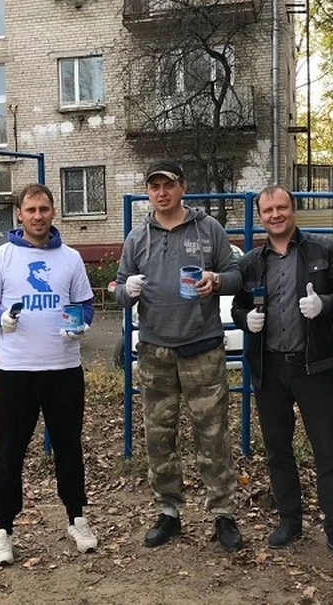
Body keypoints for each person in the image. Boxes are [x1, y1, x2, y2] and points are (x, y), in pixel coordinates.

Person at [114, 160, 245, 552]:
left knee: (213, 434)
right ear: (149, 192)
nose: (161, 192)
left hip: (202, 347)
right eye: (154, 186)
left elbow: (237, 277)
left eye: (168, 185)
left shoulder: (209, 229)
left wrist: (217, 281)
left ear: (182, 187)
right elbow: (118, 288)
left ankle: (223, 513)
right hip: (155, 350)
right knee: (159, 435)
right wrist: (127, 290)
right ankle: (168, 511)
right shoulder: (137, 238)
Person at [230, 186, 333, 566]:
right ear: (260, 215)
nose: (275, 215)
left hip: (313, 365)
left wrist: (325, 305)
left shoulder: (322, 251)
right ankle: (290, 519)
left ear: (293, 209)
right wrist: (245, 320)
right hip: (269, 367)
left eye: (281, 207)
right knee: (277, 449)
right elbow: (238, 306)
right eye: (268, 209)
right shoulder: (252, 261)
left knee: (328, 450)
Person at [0, 183, 98, 567]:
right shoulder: (1, 257)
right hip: (16, 371)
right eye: (31, 210)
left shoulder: (71, 258)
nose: (38, 216)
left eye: (44, 208)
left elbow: (86, 305)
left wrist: (82, 326)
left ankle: (77, 517)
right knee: (10, 451)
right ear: (20, 215)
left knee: (69, 447)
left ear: (53, 212)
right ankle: (3, 529)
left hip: (63, 369)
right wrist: (0, 320)